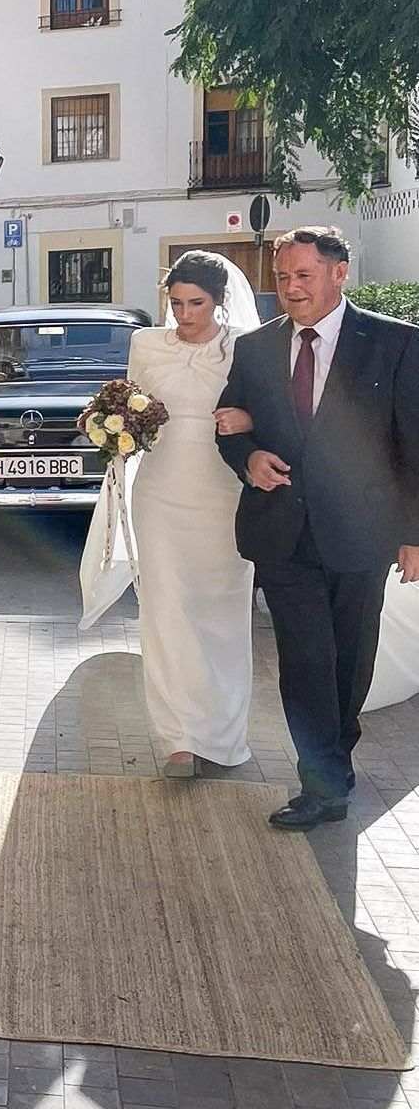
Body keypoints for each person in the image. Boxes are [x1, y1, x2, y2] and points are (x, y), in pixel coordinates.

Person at [215, 226, 419, 831]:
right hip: (282, 532)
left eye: (304, 275)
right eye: (283, 276)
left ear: (339, 273)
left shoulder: (395, 344)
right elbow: (228, 425)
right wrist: (248, 456)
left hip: (363, 531)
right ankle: (322, 783)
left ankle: (334, 755)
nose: (291, 287)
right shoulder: (255, 349)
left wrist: (413, 533)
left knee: (349, 661)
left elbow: (413, 444)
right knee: (305, 658)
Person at [82, 252, 258, 778]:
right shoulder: (145, 344)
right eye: (175, 303)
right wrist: (111, 427)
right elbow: (130, 403)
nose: (183, 314)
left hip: (222, 491)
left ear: (219, 300)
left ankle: (222, 737)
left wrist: (247, 416)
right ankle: (179, 738)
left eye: (195, 303)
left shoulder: (244, 349)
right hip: (158, 492)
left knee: (221, 614)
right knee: (164, 611)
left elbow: (268, 413)